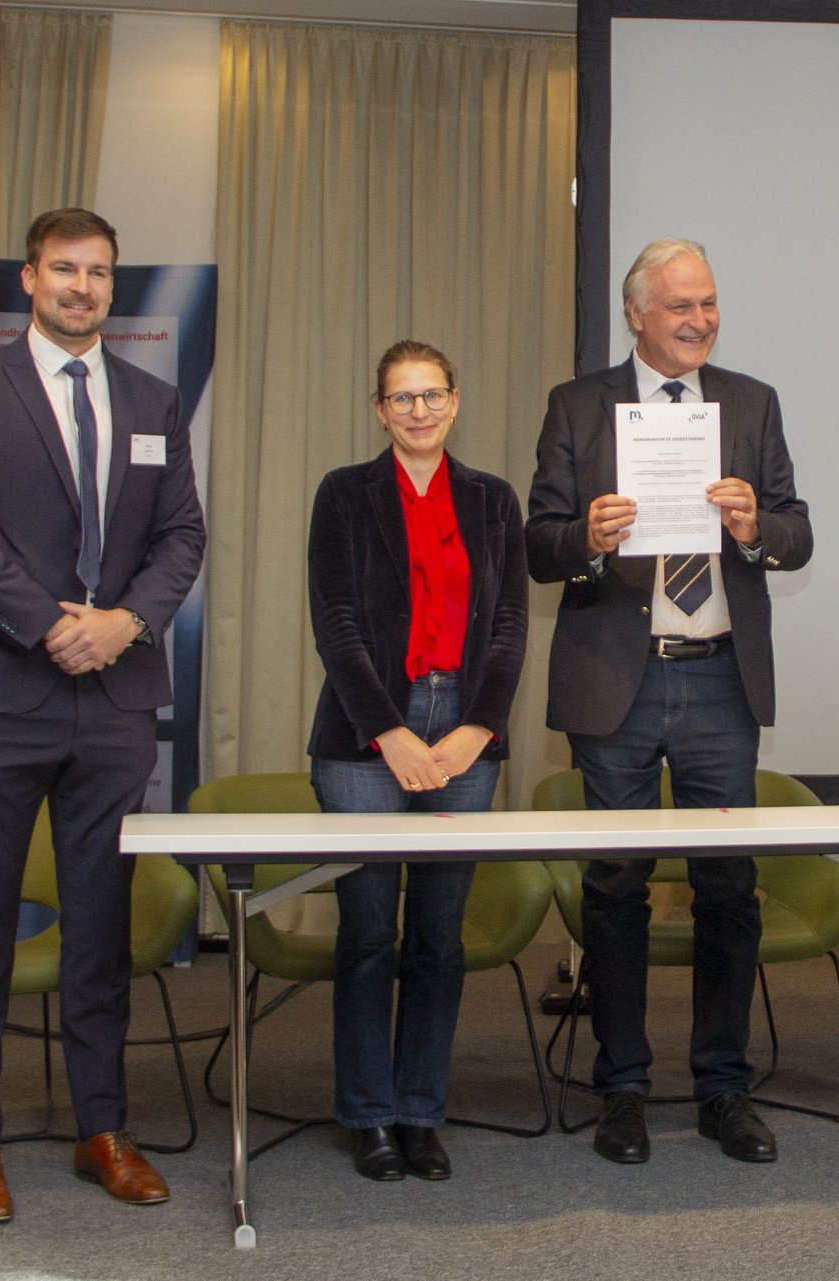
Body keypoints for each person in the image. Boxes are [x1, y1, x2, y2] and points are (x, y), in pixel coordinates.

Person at [0, 207, 205, 1222]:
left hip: (114, 702)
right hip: (2, 695)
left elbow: (182, 537)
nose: (83, 288)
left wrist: (123, 624)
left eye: (99, 273)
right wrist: (52, 626)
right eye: (64, 270)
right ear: (29, 280)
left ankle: (101, 1129)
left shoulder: (155, 400)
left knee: (98, 931)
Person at [526, 238, 812, 1165]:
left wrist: (752, 527)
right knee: (615, 888)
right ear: (636, 313)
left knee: (728, 888)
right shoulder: (578, 407)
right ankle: (623, 1089)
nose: (701, 321)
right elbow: (538, 544)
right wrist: (591, 537)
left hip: (720, 677)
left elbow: (797, 533)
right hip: (620, 676)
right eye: (682, 306)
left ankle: (724, 1088)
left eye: (711, 303)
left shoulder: (751, 402)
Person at [306, 340, 529, 1182]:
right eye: (402, 398)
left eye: (432, 394)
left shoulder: (492, 500)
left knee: (437, 936)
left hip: (464, 734)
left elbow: (509, 626)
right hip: (370, 736)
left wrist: (478, 726)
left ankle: (420, 1109)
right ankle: (368, 1114)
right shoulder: (343, 495)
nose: (419, 410)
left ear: (456, 401)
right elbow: (337, 624)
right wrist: (388, 733)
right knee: (368, 932)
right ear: (379, 411)